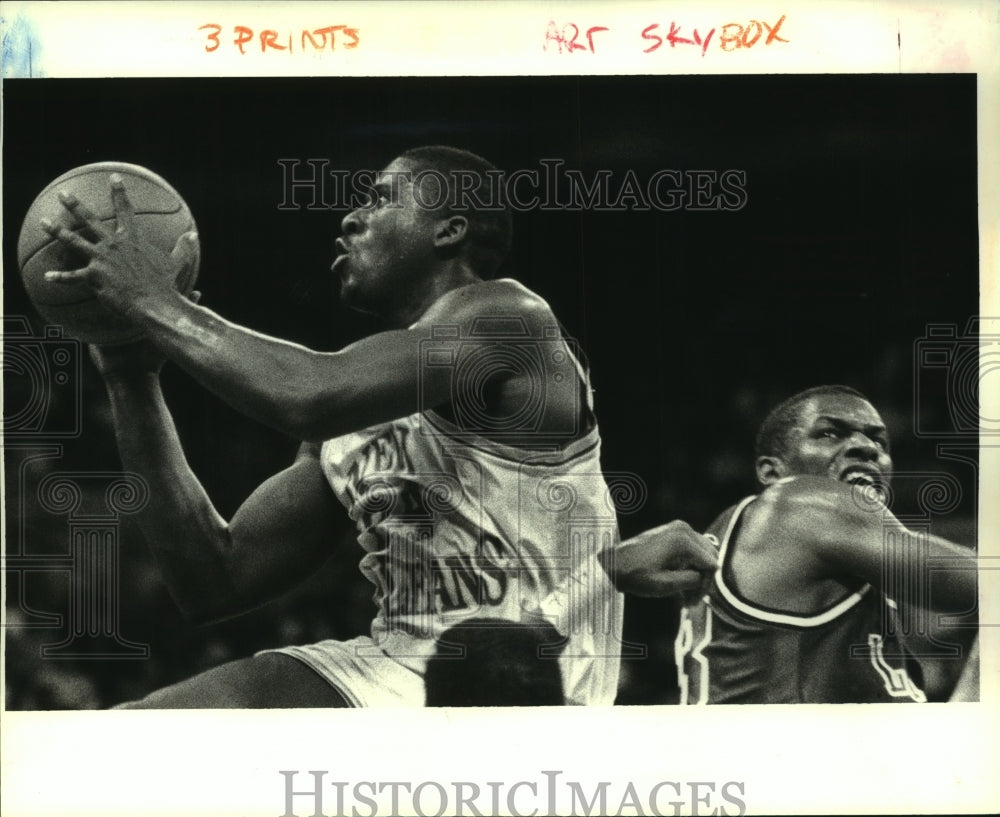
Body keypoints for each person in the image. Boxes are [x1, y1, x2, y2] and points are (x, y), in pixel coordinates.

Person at [41, 146, 628, 707]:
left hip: (532, 679)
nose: (349, 219)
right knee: (132, 735)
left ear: (448, 231)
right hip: (396, 670)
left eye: (379, 199)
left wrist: (154, 301)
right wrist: (130, 379)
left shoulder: (508, 318)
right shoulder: (352, 414)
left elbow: (309, 394)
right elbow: (213, 578)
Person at [607, 385, 978, 704]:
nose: (865, 447)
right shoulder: (795, 503)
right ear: (772, 473)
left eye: (878, 440)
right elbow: (981, 585)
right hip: (799, 768)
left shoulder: (754, 536)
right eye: (830, 434)